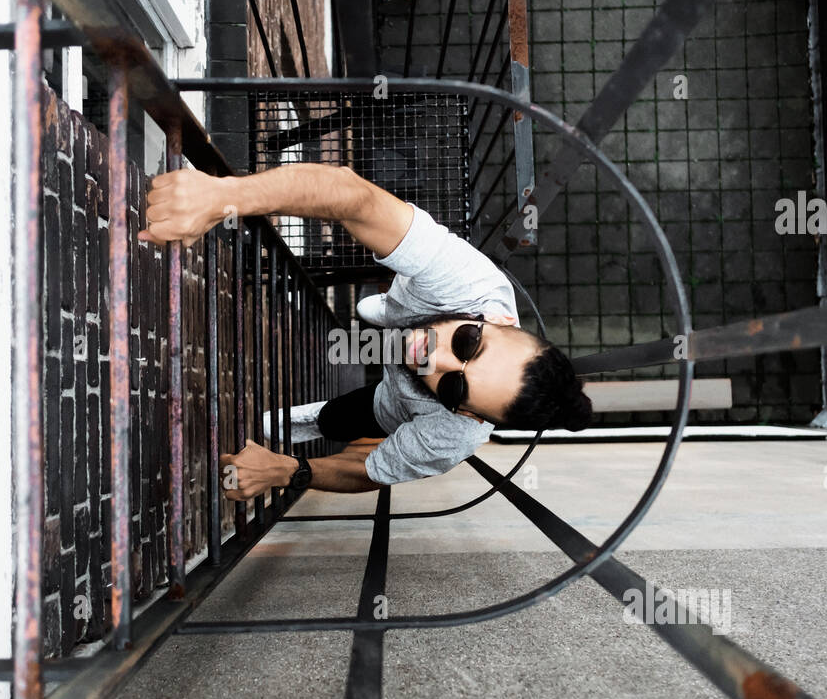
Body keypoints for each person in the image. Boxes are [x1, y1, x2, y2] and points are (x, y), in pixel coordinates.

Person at [137, 163, 592, 498]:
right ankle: (353, 338)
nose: (435, 358)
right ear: (498, 319)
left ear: (468, 415)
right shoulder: (472, 285)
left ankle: (288, 424)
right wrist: (221, 198)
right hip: (391, 326)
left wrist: (288, 471)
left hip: (391, 404)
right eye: (469, 343)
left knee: (339, 418)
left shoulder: (455, 436)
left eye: (454, 387)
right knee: (353, 344)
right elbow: (351, 197)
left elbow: (369, 468)